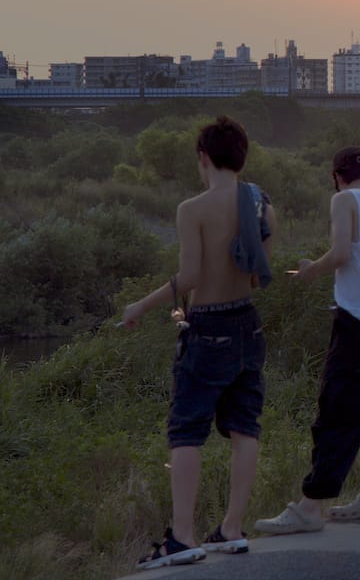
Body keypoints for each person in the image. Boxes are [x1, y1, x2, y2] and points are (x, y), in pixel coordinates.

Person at [121, 116, 276, 569]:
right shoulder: (263, 205)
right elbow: (259, 274)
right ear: (241, 156)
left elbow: (189, 277)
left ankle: (182, 537)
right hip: (249, 323)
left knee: (186, 429)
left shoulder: (193, 209)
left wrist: (139, 305)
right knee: (244, 426)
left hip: (209, 326)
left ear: (204, 157)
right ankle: (231, 529)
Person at [256, 145, 360, 534]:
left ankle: (311, 506)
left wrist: (311, 269)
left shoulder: (344, 199)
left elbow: (342, 253)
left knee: (338, 406)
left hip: (357, 317)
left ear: (337, 176)